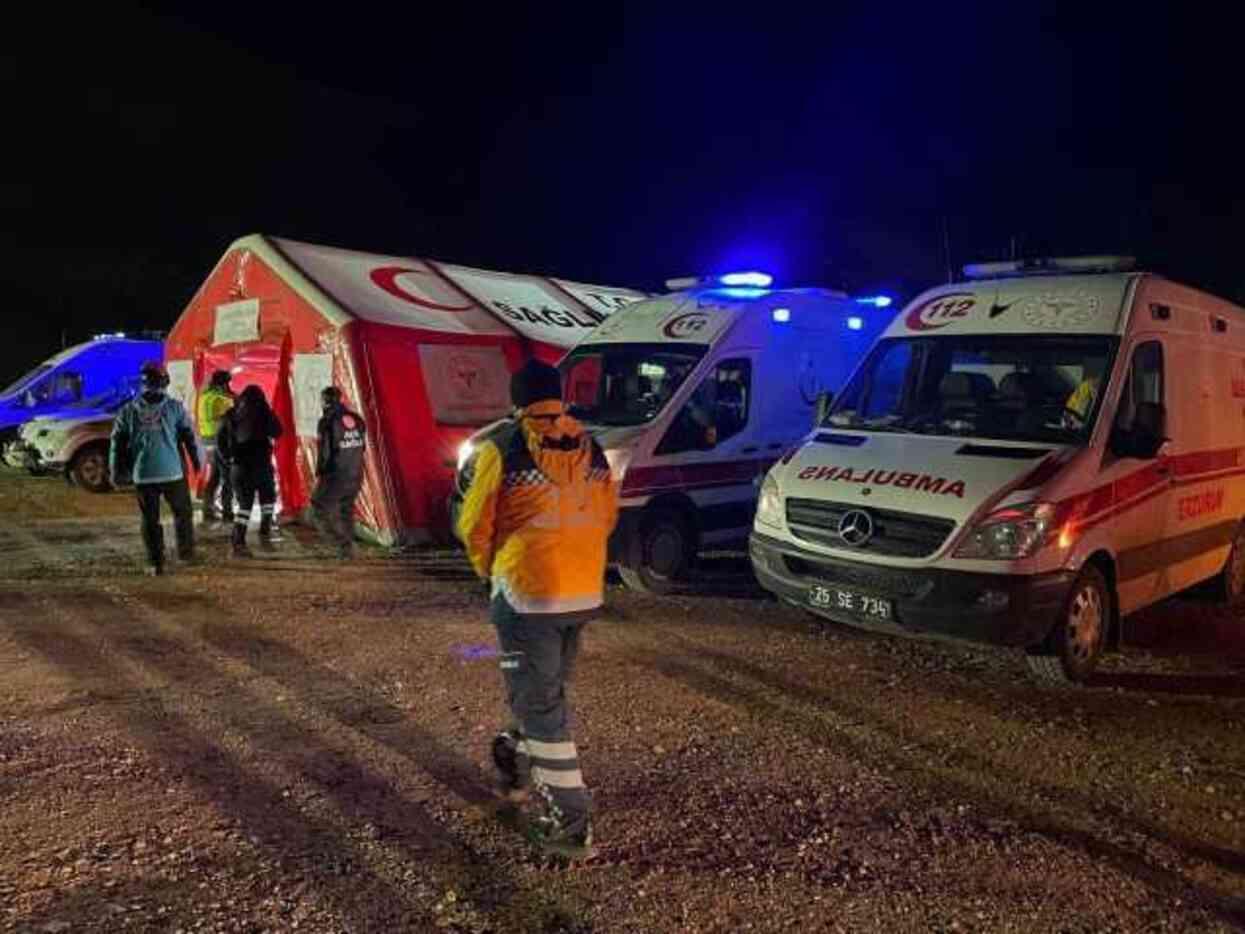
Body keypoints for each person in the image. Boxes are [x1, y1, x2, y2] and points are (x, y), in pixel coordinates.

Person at [457, 359, 619, 859]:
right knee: (543, 691)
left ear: (518, 399)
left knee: (543, 708)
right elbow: (607, 514)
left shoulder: (501, 448)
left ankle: (569, 826)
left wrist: (490, 571)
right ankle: (514, 750)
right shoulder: (589, 445)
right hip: (582, 593)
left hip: (528, 594)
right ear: (558, 397)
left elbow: (474, 523)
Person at [109, 361, 200, 576]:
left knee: (150, 520)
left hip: (143, 474)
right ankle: (185, 554)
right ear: (164, 382)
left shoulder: (128, 411)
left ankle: (155, 562)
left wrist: (116, 472)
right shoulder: (175, 407)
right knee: (182, 513)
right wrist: (196, 462)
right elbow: (189, 437)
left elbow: (117, 444)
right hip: (172, 472)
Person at [220, 385, 283, 557]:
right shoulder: (264, 412)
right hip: (261, 464)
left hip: (239, 467)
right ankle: (265, 529)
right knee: (268, 497)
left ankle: (238, 540)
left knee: (244, 505)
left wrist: (229, 458)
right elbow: (278, 431)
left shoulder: (231, 414)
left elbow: (220, 440)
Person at [312, 386, 367, 559]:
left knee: (318, 506)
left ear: (326, 401)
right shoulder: (357, 419)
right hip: (355, 471)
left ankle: (341, 543)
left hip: (336, 473)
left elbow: (325, 452)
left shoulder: (327, 421)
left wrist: (321, 471)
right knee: (346, 508)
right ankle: (347, 547)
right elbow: (362, 446)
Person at [197, 369, 235, 522]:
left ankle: (208, 508)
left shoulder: (204, 396)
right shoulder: (220, 399)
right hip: (220, 441)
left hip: (207, 441)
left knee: (215, 476)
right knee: (227, 477)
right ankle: (227, 511)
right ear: (224, 383)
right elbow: (229, 419)